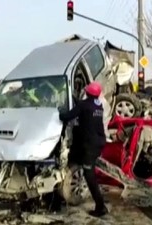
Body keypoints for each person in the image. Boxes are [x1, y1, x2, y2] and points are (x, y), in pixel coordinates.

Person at [58, 81, 108, 217]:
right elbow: (85, 108)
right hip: (98, 141)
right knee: (77, 159)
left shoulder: (84, 105)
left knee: (89, 174)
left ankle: (101, 206)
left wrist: (59, 112)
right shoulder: (98, 105)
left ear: (87, 93)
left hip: (90, 145)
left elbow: (66, 116)